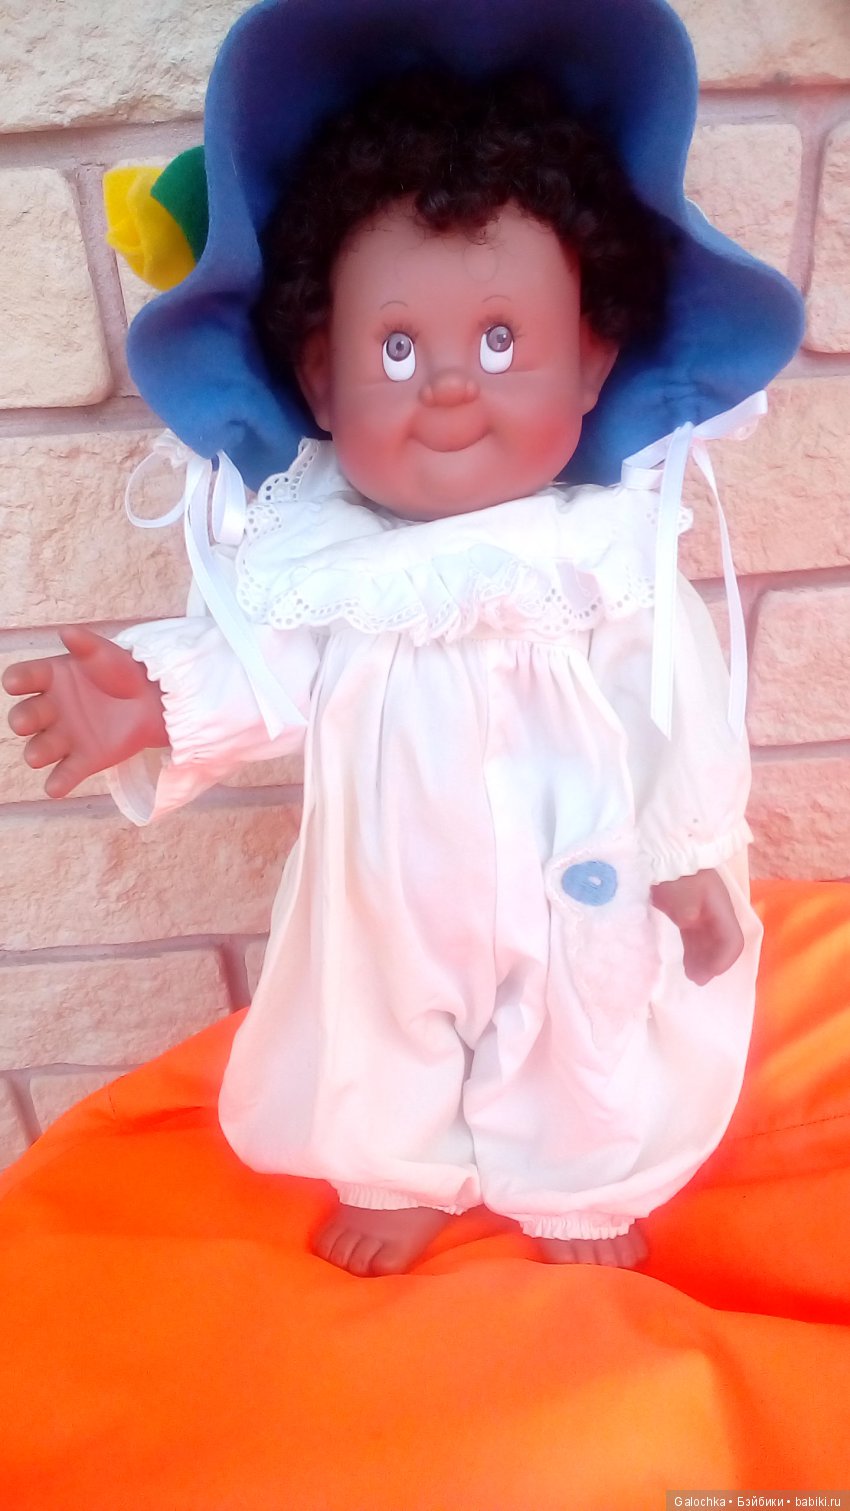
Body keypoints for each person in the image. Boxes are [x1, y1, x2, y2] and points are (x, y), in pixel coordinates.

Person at [2, 1, 803, 1277]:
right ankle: (400, 1169)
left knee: (586, 1023)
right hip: (387, 890)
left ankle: (578, 1184)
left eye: (501, 337)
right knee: (372, 1025)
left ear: (592, 362)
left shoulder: (605, 554)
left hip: (576, 869)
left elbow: (674, 707)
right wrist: (153, 697)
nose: (448, 381)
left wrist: (686, 855)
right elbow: (267, 663)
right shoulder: (327, 561)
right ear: (322, 382)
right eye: (394, 345)